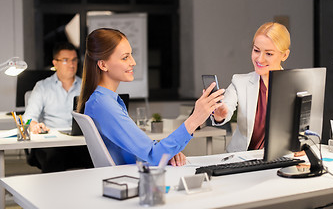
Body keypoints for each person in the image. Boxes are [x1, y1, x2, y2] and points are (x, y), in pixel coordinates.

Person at [77, 28, 224, 166]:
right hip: (133, 179)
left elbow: (146, 149)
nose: (133, 62)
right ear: (103, 65)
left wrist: (168, 151)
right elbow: (154, 156)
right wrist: (195, 119)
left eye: (131, 55)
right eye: (125, 58)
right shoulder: (104, 105)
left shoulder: (103, 101)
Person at [211, 22, 291, 152]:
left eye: (269, 54)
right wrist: (220, 114)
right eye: (256, 50)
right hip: (241, 159)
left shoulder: (294, 85)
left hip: (278, 160)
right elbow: (226, 107)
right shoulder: (239, 82)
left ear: (284, 55)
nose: (260, 59)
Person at [23, 42, 93, 172]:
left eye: (74, 60)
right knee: (54, 159)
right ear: (55, 63)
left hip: (78, 141)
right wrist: (34, 125)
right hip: (52, 143)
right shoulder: (42, 86)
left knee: (97, 157)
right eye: (66, 60)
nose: (72, 64)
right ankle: (52, 192)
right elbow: (28, 118)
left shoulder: (85, 87)